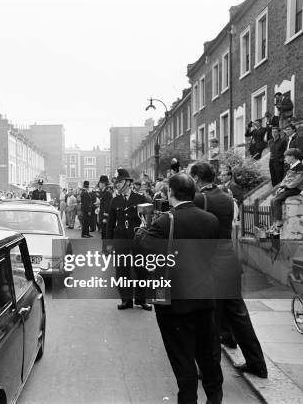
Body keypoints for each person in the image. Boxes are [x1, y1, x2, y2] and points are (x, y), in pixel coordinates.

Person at [137, 172, 223, 403]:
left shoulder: (165, 221)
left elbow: (145, 252)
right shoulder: (211, 220)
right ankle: (214, 398)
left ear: (170, 194)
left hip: (175, 302)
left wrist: (145, 226)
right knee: (208, 355)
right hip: (205, 296)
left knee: (182, 357)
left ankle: (188, 399)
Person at [191, 162, 268, 379]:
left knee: (210, 320)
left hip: (211, 264)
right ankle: (257, 364)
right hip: (229, 261)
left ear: (197, 178)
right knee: (239, 316)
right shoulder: (225, 197)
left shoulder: (199, 199)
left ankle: (209, 370)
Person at [105, 168, 152, 311]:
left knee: (141, 270)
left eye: (119, 182)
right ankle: (126, 300)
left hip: (138, 240)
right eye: (116, 182)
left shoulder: (140, 199)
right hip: (120, 240)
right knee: (122, 271)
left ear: (127, 182)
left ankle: (141, 299)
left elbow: (147, 222)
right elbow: (110, 224)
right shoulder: (115, 200)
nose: (117, 185)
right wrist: (107, 244)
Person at [269, 148, 303, 233]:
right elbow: (286, 179)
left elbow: (297, 181)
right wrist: (281, 187)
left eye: (287, 156)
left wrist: (285, 188)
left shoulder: (300, 166)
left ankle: (279, 222)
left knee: (277, 200)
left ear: (293, 157)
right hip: (289, 188)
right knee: (272, 200)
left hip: (295, 189)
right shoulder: (292, 166)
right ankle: (275, 221)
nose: (285, 158)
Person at [96, 175, 113, 251]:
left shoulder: (108, 194)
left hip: (105, 217)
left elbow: (108, 207)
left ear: (103, 184)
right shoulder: (102, 193)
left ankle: (106, 250)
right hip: (101, 215)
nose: (99, 184)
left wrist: (105, 218)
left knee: (106, 234)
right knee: (103, 233)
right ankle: (104, 249)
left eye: (100, 183)